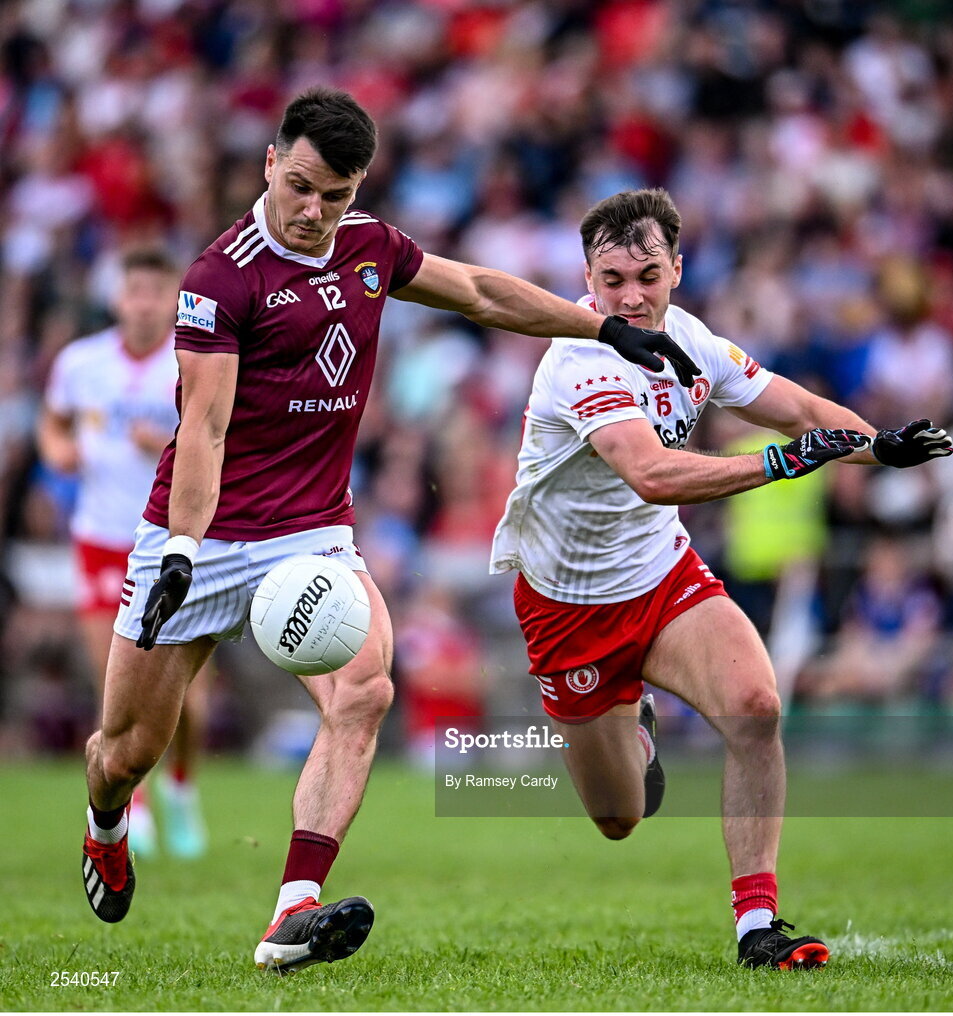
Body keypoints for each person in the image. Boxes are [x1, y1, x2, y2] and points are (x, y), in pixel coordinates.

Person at [79, 88, 702, 974]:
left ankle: (293, 908)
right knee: (126, 749)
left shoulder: (369, 248)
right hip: (200, 531)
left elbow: (482, 292)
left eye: (335, 194)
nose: (313, 212)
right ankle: (105, 823)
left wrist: (600, 326)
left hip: (311, 536)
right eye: (299, 187)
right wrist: (181, 550)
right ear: (269, 163)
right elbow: (205, 430)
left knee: (366, 690)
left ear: (358, 186)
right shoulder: (220, 279)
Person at [489, 187, 953, 969]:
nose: (631, 296)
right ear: (587, 279)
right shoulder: (577, 358)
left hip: (662, 574)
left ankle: (756, 926)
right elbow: (652, 474)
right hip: (568, 608)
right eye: (612, 281)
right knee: (617, 816)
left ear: (678, 265)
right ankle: (635, 731)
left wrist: (883, 446)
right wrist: (775, 464)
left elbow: (803, 413)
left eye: (647, 275)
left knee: (756, 705)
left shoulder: (693, 338)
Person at [40, 246, 210, 859]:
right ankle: (133, 803)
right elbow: (53, 422)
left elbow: (218, 433)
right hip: (98, 539)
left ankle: (183, 789)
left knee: (183, 697)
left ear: (173, 300)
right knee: (113, 682)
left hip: (173, 539)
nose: (142, 303)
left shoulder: (192, 361)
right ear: (117, 297)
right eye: (132, 290)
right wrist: (56, 450)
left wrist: (166, 442)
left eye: (154, 292)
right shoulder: (81, 364)